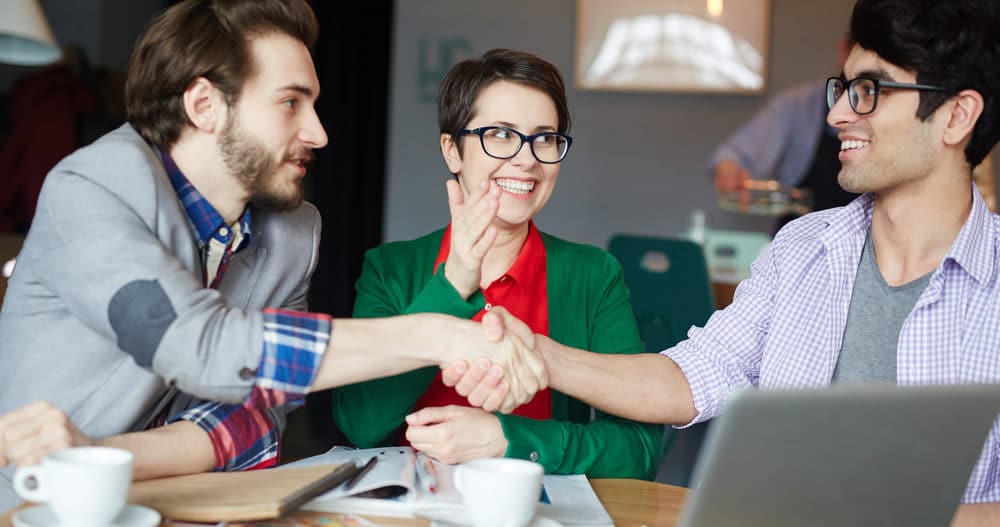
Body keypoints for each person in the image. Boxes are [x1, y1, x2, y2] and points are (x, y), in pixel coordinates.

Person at [448, 0, 1000, 522]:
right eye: (844, 87)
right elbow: (690, 376)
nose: (835, 113)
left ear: (956, 116)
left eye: (869, 89)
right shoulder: (802, 249)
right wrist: (536, 353)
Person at [0, 0, 544, 511]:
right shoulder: (92, 187)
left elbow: (258, 417)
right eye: (290, 102)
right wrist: (439, 333)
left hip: (173, 505)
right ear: (204, 105)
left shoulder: (293, 232)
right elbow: (202, 346)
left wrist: (96, 452)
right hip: (30, 503)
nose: (319, 132)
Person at [329, 49, 662, 479]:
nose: (527, 159)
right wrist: (452, 285)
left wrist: (509, 439)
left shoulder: (593, 275)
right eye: (501, 135)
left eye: (545, 138)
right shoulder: (391, 268)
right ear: (452, 151)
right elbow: (360, 424)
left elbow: (639, 450)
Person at [710, 36, 858, 229]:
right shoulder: (798, 104)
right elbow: (732, 155)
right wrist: (731, 170)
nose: (837, 118)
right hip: (800, 241)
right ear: (844, 51)